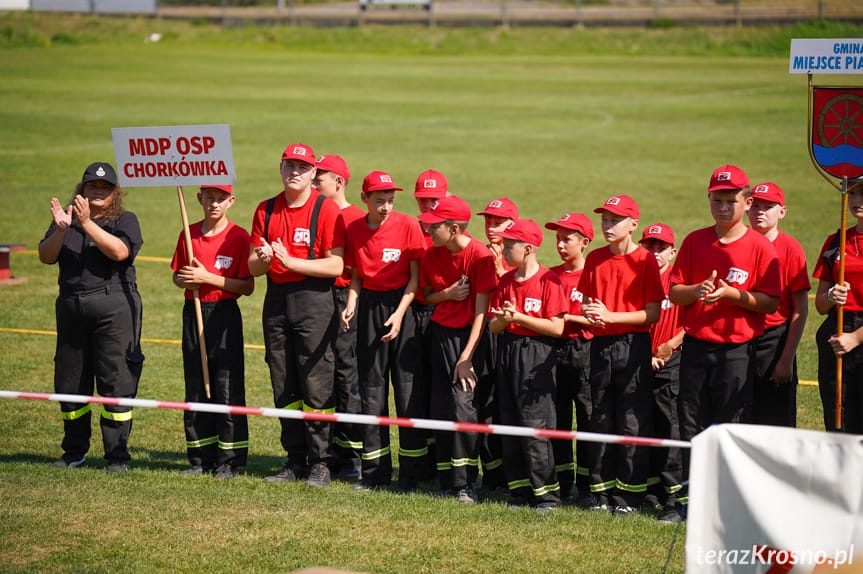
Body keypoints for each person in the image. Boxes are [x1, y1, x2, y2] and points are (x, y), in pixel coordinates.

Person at [669, 164, 781, 514]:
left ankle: (727, 504)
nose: (722, 207)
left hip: (736, 351)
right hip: (697, 348)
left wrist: (734, 295)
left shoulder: (760, 247)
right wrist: (696, 290)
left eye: (730, 200)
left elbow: (771, 301)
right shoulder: (694, 241)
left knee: (731, 425)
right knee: (692, 423)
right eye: (717, 200)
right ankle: (690, 500)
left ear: (747, 203)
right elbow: (674, 293)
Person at [39, 161, 144, 473]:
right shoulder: (66, 220)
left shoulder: (125, 220)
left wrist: (87, 224)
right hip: (71, 307)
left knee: (116, 381)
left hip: (114, 309)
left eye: (104, 187)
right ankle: (74, 452)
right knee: (70, 381)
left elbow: (119, 252)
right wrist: (61, 229)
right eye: (92, 186)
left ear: (115, 193)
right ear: (81, 189)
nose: (97, 191)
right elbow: (46, 255)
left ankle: (117, 456)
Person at [249, 142, 344, 489]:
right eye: (290, 165)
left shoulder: (327, 210)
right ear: (281, 167)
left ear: (314, 173)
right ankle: (294, 459)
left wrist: (292, 262)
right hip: (276, 299)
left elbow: (336, 265)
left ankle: (321, 463)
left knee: (316, 382)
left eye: (302, 167)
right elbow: (253, 266)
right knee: (283, 381)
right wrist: (263, 258)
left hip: (314, 299)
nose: (295, 172)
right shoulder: (266, 209)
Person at [342, 170, 428, 492]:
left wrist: (399, 314)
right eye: (379, 201)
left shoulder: (408, 226)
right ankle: (375, 473)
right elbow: (356, 276)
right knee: (372, 392)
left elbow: (414, 279)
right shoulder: (354, 230)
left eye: (391, 201)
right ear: (364, 199)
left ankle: (410, 476)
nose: (386, 207)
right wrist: (352, 302)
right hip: (370, 310)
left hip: (401, 309)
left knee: (407, 393)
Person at [578, 196, 664, 516]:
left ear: (633, 225)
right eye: (605, 219)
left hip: (633, 344)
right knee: (601, 415)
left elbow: (652, 314)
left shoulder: (645, 260)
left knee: (630, 418)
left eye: (615, 220)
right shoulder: (595, 258)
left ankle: (629, 495)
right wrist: (592, 314)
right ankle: (600, 492)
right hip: (600, 346)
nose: (608, 226)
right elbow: (588, 304)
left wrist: (611, 316)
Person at [171, 184, 254, 479]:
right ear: (199, 199)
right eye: (210, 199)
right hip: (193, 313)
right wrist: (185, 280)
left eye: (221, 199)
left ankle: (230, 460)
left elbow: (246, 286)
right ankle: (200, 457)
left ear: (231, 201)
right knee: (196, 383)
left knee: (226, 385)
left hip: (224, 314)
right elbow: (177, 274)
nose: (214, 205)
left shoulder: (239, 237)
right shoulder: (188, 234)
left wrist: (208, 277)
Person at [419, 195, 498, 503]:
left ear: (453, 228)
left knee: (463, 406)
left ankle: (467, 483)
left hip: (470, 339)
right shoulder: (432, 253)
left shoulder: (480, 257)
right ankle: (447, 481)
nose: (428, 230)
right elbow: (426, 295)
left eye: (434, 226)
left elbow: (482, 313)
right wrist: (448, 294)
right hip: (440, 336)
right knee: (441, 407)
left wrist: (466, 357)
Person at [489, 219, 566, 511]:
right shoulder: (506, 281)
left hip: (537, 355)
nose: (504, 250)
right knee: (509, 421)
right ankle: (519, 491)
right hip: (508, 350)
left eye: (510, 246)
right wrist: (504, 320)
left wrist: (519, 318)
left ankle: (546, 495)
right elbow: (495, 327)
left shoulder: (549, 280)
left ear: (529, 248)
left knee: (535, 424)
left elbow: (557, 328)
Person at [315, 154, 365, 479]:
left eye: (319, 178)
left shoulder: (355, 218)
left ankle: (352, 455)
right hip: (318, 300)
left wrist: (351, 301)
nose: (313, 182)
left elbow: (362, 266)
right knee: (323, 375)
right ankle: (324, 450)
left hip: (346, 298)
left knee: (347, 374)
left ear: (339, 182)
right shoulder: (314, 213)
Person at [747, 182, 810, 428]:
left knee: (775, 419)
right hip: (741, 339)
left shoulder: (791, 249)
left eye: (768, 207)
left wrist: (786, 359)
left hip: (774, 340)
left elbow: (800, 309)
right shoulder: (739, 242)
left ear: (782, 212)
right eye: (755, 206)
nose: (760, 212)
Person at [544, 212, 594, 503]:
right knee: (558, 419)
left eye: (568, 239)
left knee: (587, 419)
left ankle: (587, 487)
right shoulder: (550, 275)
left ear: (584, 242)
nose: (561, 245)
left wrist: (568, 317)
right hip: (554, 351)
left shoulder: (594, 275)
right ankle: (562, 483)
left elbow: (602, 318)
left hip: (584, 352)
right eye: (558, 239)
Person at [638, 222, 685, 522]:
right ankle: (652, 489)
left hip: (671, 360)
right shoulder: (638, 278)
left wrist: (669, 346)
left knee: (670, 425)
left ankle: (675, 496)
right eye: (649, 245)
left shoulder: (679, 282)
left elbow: (691, 322)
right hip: (641, 360)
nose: (655, 252)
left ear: (673, 251)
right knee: (645, 425)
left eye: (661, 247)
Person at [475, 197, 520, 491]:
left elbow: (518, 290)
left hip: (510, 336)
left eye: (498, 222)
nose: (491, 227)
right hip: (485, 333)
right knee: (484, 403)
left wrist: (499, 267)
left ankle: (514, 473)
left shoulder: (516, 258)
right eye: (488, 221)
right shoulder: (481, 255)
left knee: (508, 404)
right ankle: (492, 474)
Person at [813, 177, 863, 433]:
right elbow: (820, 304)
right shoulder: (836, 240)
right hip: (836, 333)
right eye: (853, 194)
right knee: (837, 418)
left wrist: (856, 337)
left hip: (857, 334)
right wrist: (831, 296)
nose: (857, 201)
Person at [412, 169, 451, 482]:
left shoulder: (450, 233)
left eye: (434, 199)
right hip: (415, 312)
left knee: (441, 391)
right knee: (416, 389)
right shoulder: (412, 229)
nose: (428, 206)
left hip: (442, 319)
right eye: (423, 200)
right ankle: (422, 463)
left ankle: (443, 462)